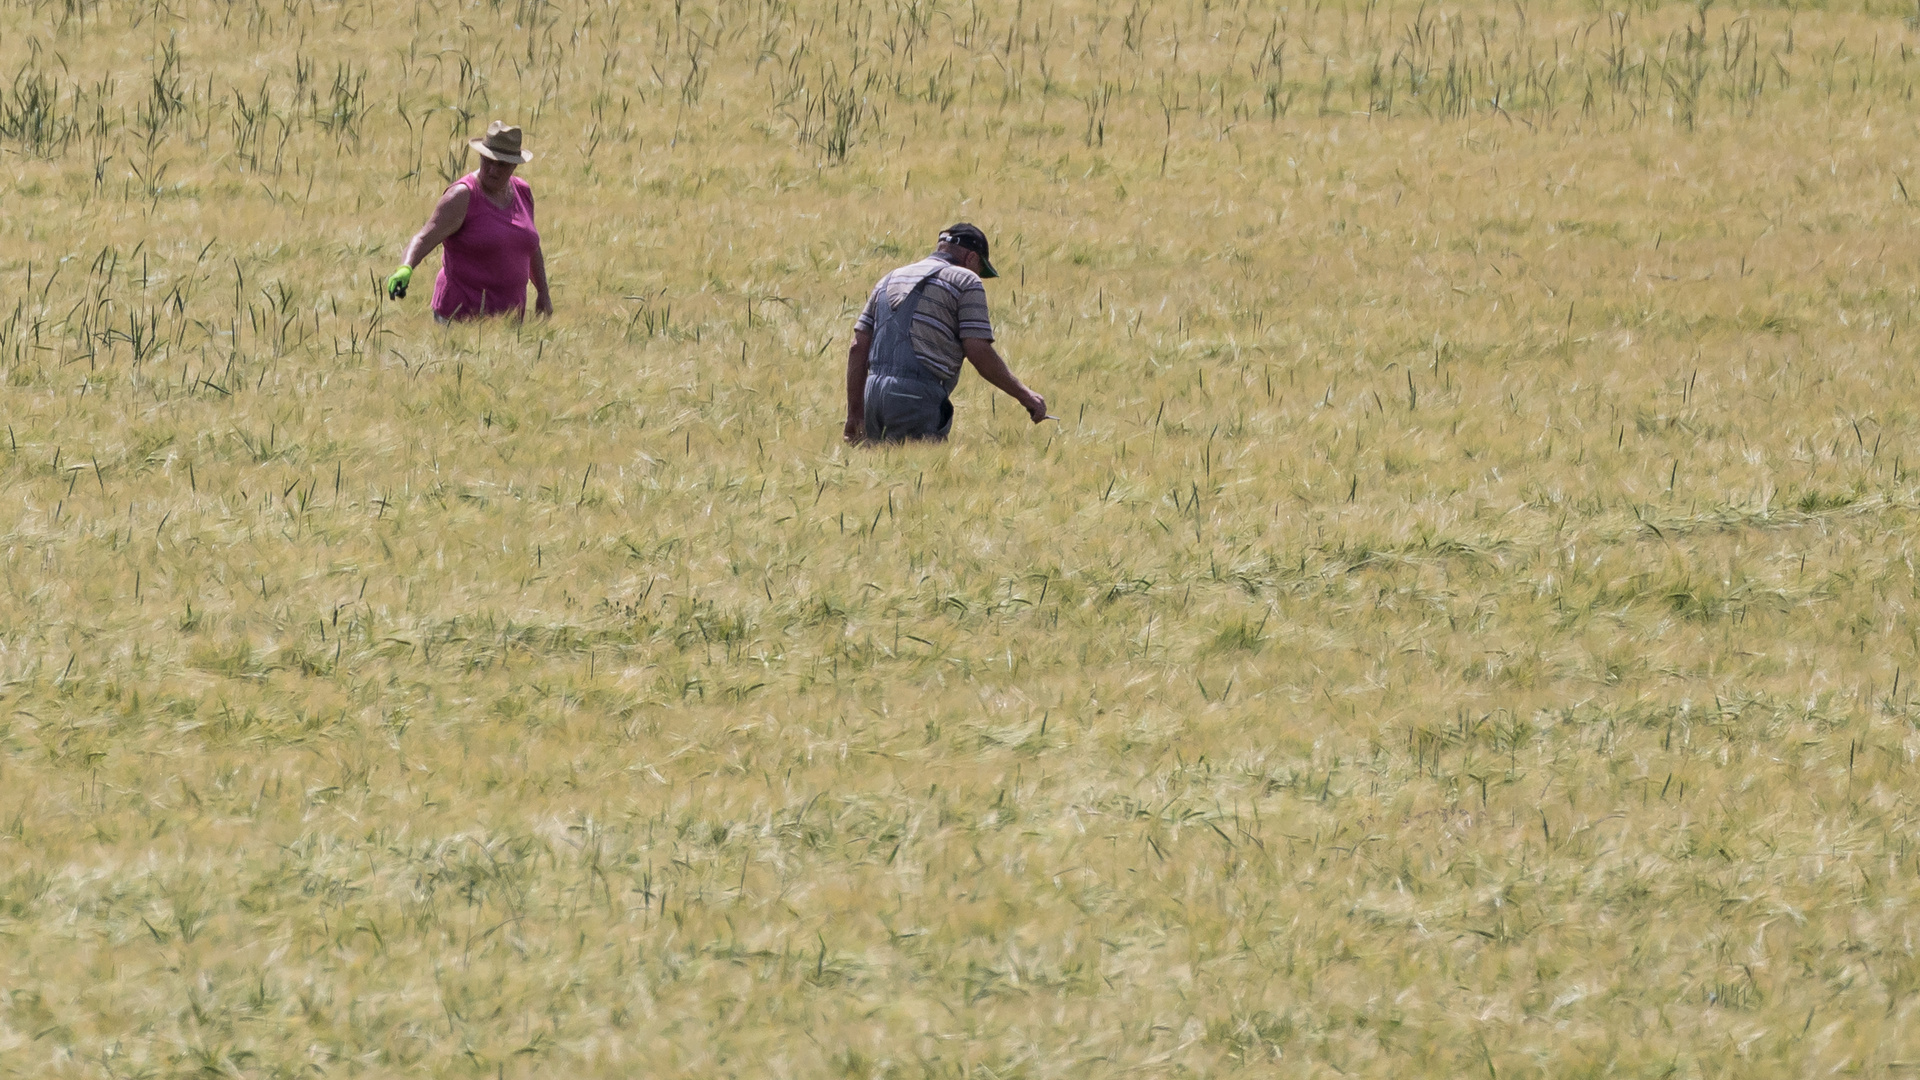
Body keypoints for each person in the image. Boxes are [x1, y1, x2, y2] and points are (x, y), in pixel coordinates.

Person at [845, 223, 1047, 444]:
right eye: (980, 267)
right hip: (916, 399)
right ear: (971, 258)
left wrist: (855, 414)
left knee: (881, 473)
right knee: (921, 475)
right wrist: (1025, 395)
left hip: (871, 397)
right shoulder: (966, 280)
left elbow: (857, 347)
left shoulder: (889, 279)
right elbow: (977, 349)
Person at [386, 121, 551, 322]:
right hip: (460, 317)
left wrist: (542, 291)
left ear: (514, 164)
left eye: (501, 164)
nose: (492, 169)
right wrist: (405, 268)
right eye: (487, 160)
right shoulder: (462, 195)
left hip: (509, 319)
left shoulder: (522, 191)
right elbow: (424, 237)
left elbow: (530, 246)